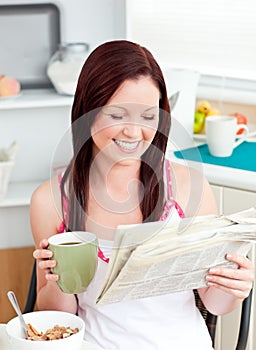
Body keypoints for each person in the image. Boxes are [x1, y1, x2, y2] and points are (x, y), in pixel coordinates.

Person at [31, 40, 254, 350]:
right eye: (118, 116)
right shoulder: (50, 201)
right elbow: (58, 318)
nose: (134, 133)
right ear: (87, 110)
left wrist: (234, 286)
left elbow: (215, 304)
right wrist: (55, 279)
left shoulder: (190, 187)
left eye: (148, 117)